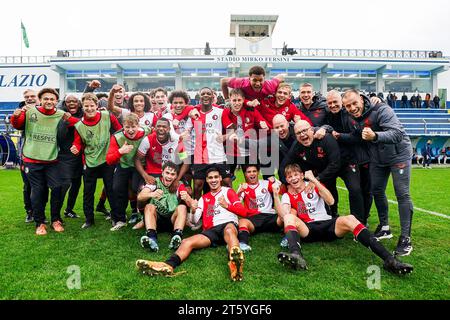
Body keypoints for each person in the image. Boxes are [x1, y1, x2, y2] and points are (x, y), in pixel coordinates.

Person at [274, 164, 413, 275]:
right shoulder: (287, 195)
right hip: (308, 229)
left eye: (296, 175)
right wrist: (275, 195)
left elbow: (331, 201)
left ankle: (389, 260)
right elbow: (283, 215)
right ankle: (296, 256)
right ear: (287, 180)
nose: (293, 178)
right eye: (290, 176)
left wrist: (315, 181)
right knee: (289, 217)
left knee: (351, 219)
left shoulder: (313, 186)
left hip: (328, 224)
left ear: (302, 175)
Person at [136, 167, 254, 281]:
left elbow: (244, 212)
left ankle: (236, 265)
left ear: (220, 178)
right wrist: (192, 210)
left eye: (216, 177)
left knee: (229, 231)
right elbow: (194, 221)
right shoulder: (204, 198)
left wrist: (227, 206)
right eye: (210, 178)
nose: (213, 180)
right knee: (187, 242)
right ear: (207, 180)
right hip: (210, 231)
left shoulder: (228, 191)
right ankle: (168, 265)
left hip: (228, 224)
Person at [342, 89, 414, 256]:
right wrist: (335, 133)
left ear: (361, 98)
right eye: (348, 106)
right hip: (377, 157)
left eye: (354, 103)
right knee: (376, 190)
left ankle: (405, 238)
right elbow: (355, 136)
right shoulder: (352, 118)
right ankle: (384, 227)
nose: (352, 108)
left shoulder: (381, 109)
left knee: (402, 194)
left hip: (398, 154)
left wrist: (375, 136)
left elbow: (397, 133)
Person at [10, 88, 76, 235]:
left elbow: (79, 124)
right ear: (40, 99)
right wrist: (15, 116)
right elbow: (16, 124)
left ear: (56, 102)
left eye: (52, 99)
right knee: (37, 191)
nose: (49, 101)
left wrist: (97, 113)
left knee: (58, 187)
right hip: (31, 159)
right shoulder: (29, 112)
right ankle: (39, 223)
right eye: (46, 98)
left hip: (51, 160)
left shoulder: (61, 115)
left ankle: (55, 220)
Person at [71, 93, 122, 229]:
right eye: (86, 106)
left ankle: (115, 217)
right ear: (82, 107)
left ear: (97, 105)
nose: (89, 109)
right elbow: (78, 142)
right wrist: (75, 147)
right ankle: (89, 219)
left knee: (111, 189)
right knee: (88, 191)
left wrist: (116, 146)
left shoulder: (107, 116)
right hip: (90, 161)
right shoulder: (79, 125)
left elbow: (120, 131)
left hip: (107, 159)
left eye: (92, 106)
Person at [323, 90, 372, 225]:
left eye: (335, 102)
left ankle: (358, 220)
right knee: (329, 189)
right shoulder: (325, 114)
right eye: (330, 103)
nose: (332, 105)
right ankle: (332, 215)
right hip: (331, 161)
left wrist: (339, 136)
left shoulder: (350, 114)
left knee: (356, 189)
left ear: (342, 102)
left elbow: (357, 135)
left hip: (349, 160)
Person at [279, 120, 341, 218]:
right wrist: (287, 184)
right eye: (298, 133)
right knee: (309, 189)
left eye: (304, 131)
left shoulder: (326, 139)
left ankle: (334, 213)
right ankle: (307, 213)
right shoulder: (297, 146)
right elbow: (283, 166)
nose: (302, 134)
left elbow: (335, 164)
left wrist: (316, 180)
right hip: (313, 170)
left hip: (331, 168)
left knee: (331, 187)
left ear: (312, 130)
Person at [184, 87, 232, 200]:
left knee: (226, 182)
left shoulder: (220, 112)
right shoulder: (193, 114)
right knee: (197, 186)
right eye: (203, 93)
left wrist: (225, 137)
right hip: (200, 157)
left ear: (212, 97)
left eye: (208, 93)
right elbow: (186, 131)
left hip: (218, 155)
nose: (205, 95)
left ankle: (230, 210)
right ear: (199, 97)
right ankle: (195, 213)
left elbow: (231, 130)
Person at [106, 113, 151, 230]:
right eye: (127, 127)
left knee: (139, 188)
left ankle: (144, 216)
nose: (130, 130)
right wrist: (120, 151)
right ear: (123, 126)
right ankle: (120, 219)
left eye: (133, 127)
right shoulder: (117, 137)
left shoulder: (147, 132)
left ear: (138, 125)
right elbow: (109, 160)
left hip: (140, 166)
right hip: (124, 165)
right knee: (117, 188)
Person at [138, 161, 196, 251]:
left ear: (176, 176)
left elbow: (190, 205)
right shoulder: (154, 182)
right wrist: (151, 194)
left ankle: (177, 236)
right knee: (149, 206)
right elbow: (140, 196)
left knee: (182, 207)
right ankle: (152, 238)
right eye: (167, 173)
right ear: (162, 172)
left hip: (172, 221)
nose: (169, 176)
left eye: (173, 174)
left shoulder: (179, 184)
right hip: (156, 220)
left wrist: (188, 199)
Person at [236, 165, 284, 252]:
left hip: (269, 216)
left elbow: (282, 190)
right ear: (245, 174)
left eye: (254, 171)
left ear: (258, 172)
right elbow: (236, 204)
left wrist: (275, 181)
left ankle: (287, 239)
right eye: (249, 172)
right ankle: (243, 244)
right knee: (242, 222)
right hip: (253, 219)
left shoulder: (266, 183)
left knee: (285, 217)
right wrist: (240, 191)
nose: (252, 174)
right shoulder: (243, 186)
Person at [221, 88, 269, 175]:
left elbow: (263, 123)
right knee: (226, 181)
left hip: (249, 152)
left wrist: (263, 125)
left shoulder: (251, 111)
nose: (236, 103)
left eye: (239, 100)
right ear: (230, 100)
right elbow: (230, 128)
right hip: (231, 152)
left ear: (243, 99)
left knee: (251, 180)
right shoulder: (226, 112)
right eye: (234, 100)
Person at [58, 95, 84, 219]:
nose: (72, 103)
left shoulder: (83, 114)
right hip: (65, 156)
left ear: (79, 103)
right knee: (65, 184)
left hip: (80, 156)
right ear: (65, 104)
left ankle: (69, 210)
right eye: (69, 102)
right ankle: (56, 212)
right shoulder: (61, 116)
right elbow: (60, 136)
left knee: (76, 184)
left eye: (74, 101)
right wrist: (65, 121)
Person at [17, 89, 40, 223]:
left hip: (44, 155)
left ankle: (38, 211)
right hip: (25, 155)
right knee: (28, 185)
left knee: (41, 186)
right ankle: (29, 212)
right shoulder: (21, 110)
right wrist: (24, 112)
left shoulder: (45, 110)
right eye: (27, 97)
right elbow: (17, 125)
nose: (29, 98)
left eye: (32, 96)